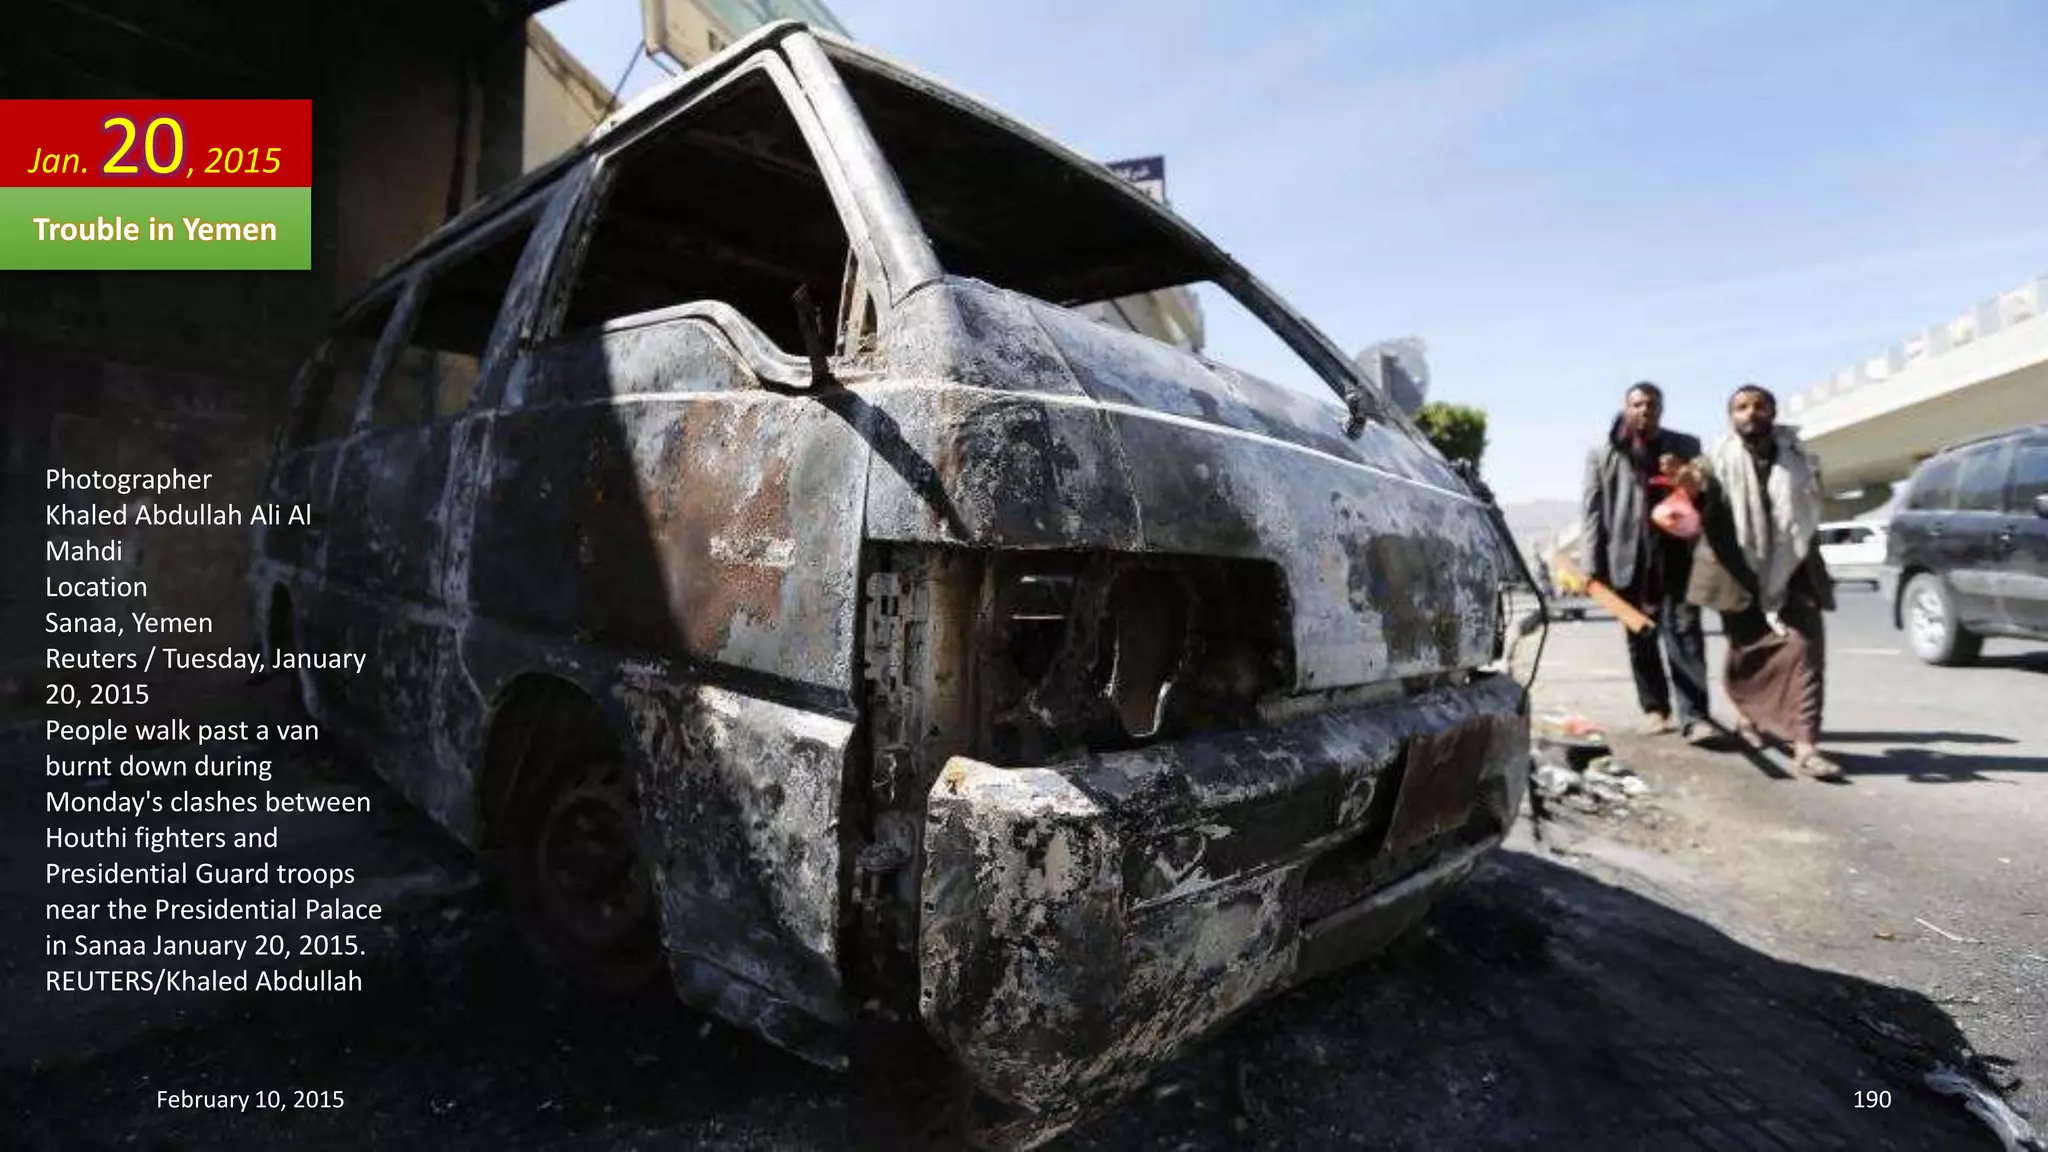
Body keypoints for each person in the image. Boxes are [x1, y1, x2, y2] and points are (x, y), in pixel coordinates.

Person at [1676, 384, 1840, 779]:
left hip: (1793, 564)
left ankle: (1805, 746)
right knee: (1746, 653)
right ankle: (1750, 719)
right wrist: (1688, 483)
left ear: (1773, 411)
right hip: (1739, 570)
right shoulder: (1715, 459)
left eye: (1759, 406)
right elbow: (1701, 490)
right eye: (1741, 407)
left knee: (1804, 648)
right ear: (1731, 417)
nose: (1751, 413)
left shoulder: (1798, 457)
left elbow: (1809, 505)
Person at [1580, 382, 1710, 738]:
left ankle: (1695, 716)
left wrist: (1683, 476)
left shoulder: (1686, 446)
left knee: (1685, 635)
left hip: (1676, 556)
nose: (1644, 410)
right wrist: (1592, 567)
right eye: (1637, 404)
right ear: (1627, 408)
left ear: (1662, 408)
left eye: (1651, 404)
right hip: (1627, 560)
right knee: (1641, 640)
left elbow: (1705, 496)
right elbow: (1592, 510)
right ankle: (1656, 709)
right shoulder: (1605, 452)